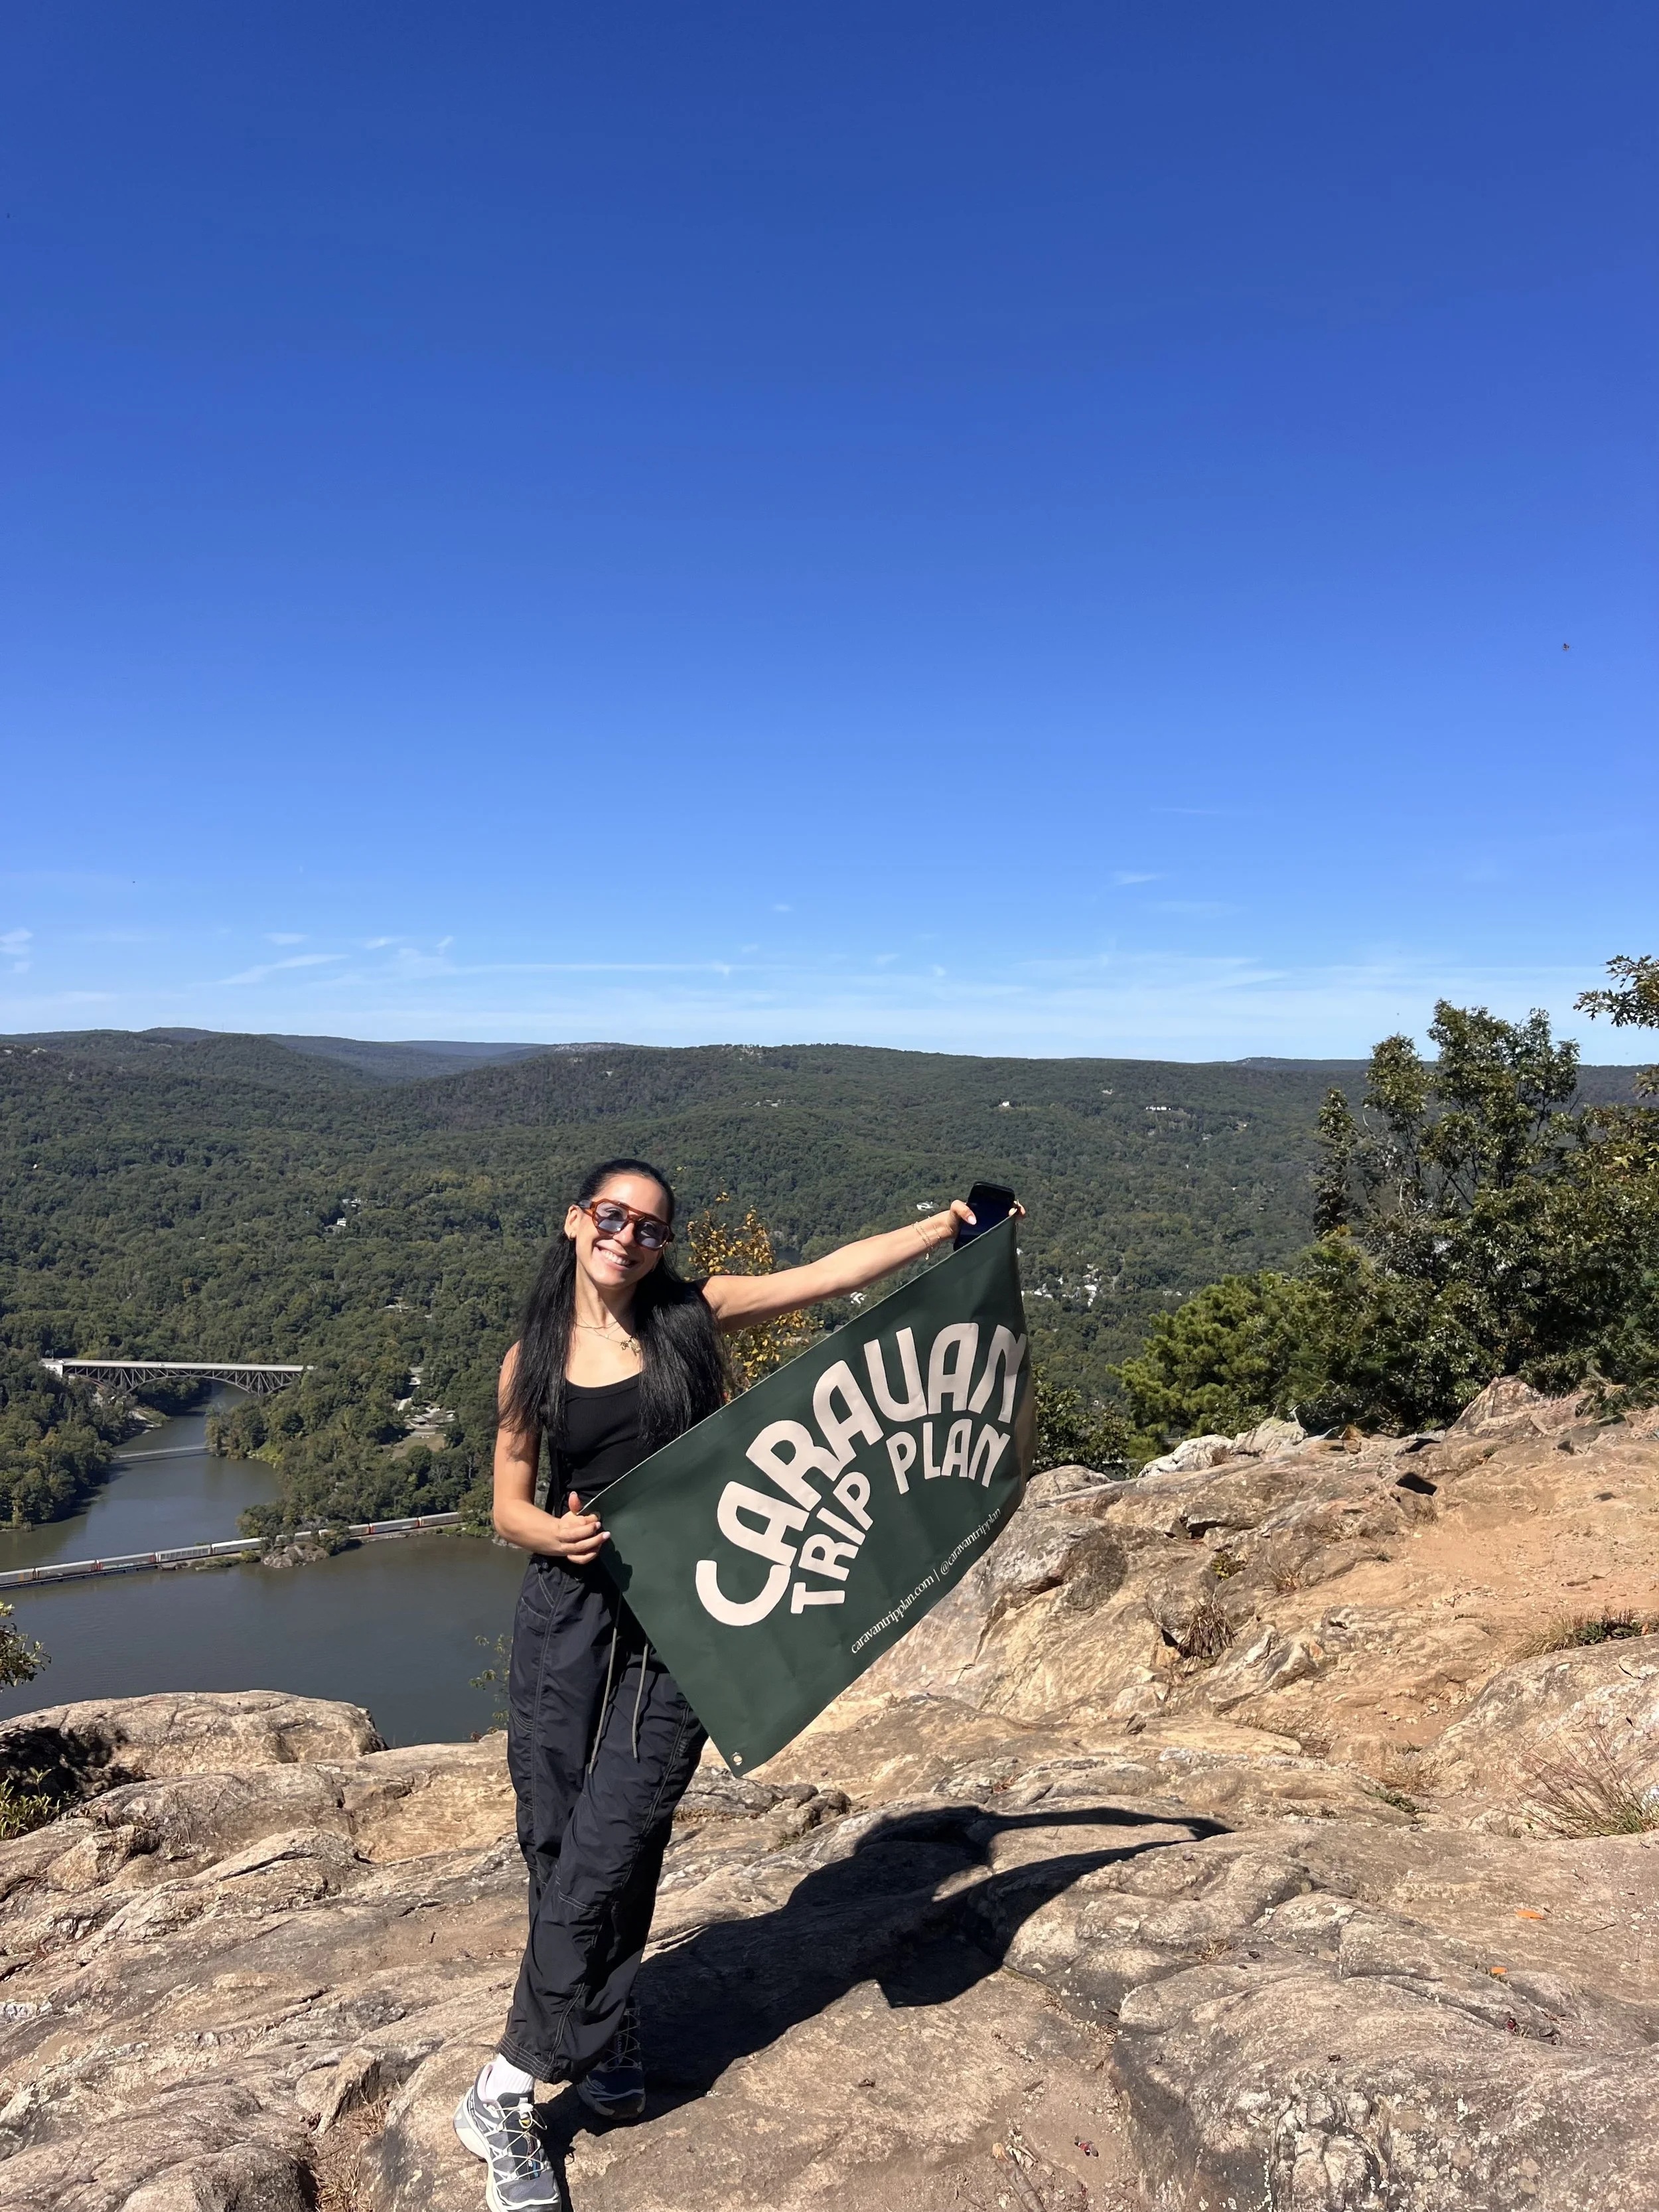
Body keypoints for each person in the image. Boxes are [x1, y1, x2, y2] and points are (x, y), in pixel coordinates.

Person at [453, 1157, 993, 2209]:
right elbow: (506, 1505)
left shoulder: (693, 1319)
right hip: (570, 1610)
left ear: (665, 1245)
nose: (629, 1236)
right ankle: (600, 2027)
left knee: (623, 1833)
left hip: (691, 1611)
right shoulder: (533, 1363)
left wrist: (948, 1226)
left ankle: (507, 2087)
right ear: (575, 1223)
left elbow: (831, 1278)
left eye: (650, 1227)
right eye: (611, 1216)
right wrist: (552, 1533)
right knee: (559, 1839)